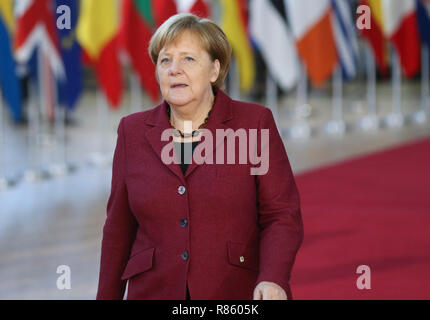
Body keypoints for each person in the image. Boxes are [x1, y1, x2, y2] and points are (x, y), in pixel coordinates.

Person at [96, 13, 303, 300]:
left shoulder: (254, 123)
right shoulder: (131, 131)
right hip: (154, 291)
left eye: (188, 59)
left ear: (214, 70)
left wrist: (273, 278)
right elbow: (119, 228)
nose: (174, 69)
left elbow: (282, 214)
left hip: (236, 291)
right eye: (165, 60)